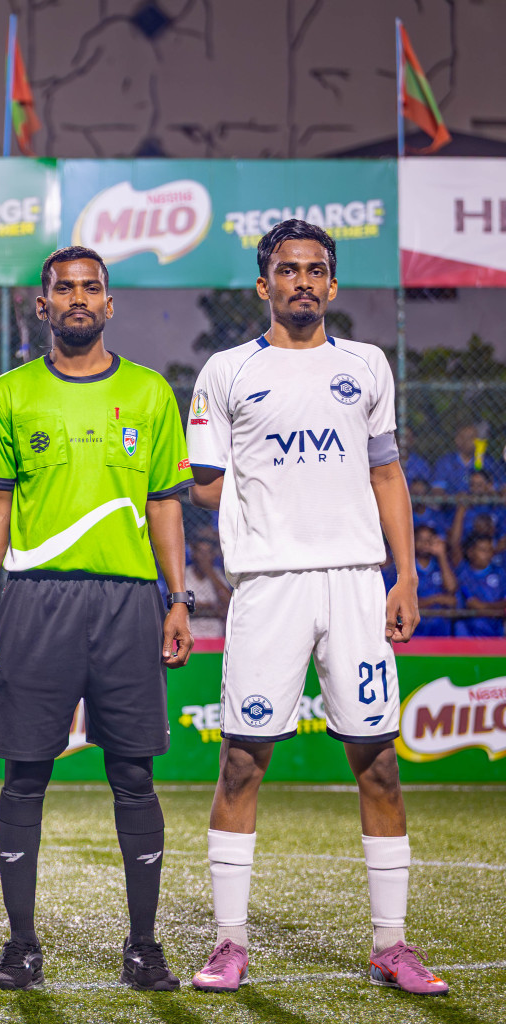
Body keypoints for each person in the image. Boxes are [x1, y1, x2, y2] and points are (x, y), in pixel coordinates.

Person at [185, 220, 448, 996]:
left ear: (332, 286)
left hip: (356, 582)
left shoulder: (365, 364)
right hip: (269, 585)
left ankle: (391, 946)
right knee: (240, 761)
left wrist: (404, 578)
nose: (302, 281)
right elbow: (203, 484)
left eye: (316, 270)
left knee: (380, 764)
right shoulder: (226, 372)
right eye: (287, 270)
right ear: (263, 284)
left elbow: (388, 475)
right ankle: (230, 943)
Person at [0, 245, 193, 992]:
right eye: (63, 288)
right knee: (24, 775)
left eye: (90, 288)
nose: (77, 299)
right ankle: (21, 946)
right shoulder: (8, 394)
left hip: (129, 602)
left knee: (133, 775)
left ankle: (143, 947)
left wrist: (177, 598)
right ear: (42, 305)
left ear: (109, 302)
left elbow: (165, 505)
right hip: (34, 600)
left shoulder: (152, 394)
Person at [182, 531, 232, 639]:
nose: (204, 557)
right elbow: (184, 607)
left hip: (216, 635)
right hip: (191, 634)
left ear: (213, 555)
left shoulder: (218, 575)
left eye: (208, 553)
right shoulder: (184, 576)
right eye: (201, 552)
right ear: (194, 554)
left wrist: (209, 572)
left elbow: (230, 603)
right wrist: (213, 608)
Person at [454, 535, 505, 638]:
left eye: (490, 550)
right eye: (482, 550)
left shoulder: (501, 573)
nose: (487, 554)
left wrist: (483, 606)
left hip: (495, 631)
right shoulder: (462, 572)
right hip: (467, 632)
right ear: (470, 552)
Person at [430, 424, 505, 494]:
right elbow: (437, 489)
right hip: (453, 507)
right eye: (468, 437)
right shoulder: (445, 462)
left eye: (475, 437)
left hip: (483, 506)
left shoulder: (487, 461)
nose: (473, 441)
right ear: (457, 440)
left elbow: (500, 486)